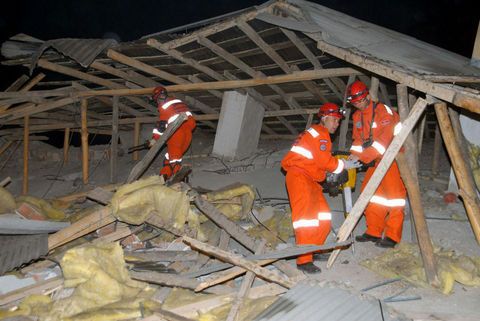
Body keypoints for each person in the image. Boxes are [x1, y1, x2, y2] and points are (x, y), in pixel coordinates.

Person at [281, 103, 360, 274]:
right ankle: (303, 259)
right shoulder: (321, 134)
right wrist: (343, 165)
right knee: (306, 220)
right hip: (299, 177)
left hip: (310, 179)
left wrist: (327, 175)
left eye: (338, 121)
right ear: (324, 118)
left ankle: (314, 250)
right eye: (334, 120)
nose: (336, 124)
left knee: (323, 215)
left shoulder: (316, 133)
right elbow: (326, 162)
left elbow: (319, 162)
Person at [346, 80, 406, 248]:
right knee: (371, 196)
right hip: (374, 160)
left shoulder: (383, 112)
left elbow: (384, 142)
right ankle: (373, 231)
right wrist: (353, 156)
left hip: (391, 158)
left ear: (367, 96)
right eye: (354, 102)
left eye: (360, 100)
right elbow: (358, 140)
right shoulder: (357, 116)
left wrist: (363, 158)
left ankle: (392, 236)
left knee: (394, 199)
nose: (358, 104)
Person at [150, 86, 196, 180]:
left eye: (157, 99)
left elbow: (161, 125)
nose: (158, 102)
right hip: (188, 133)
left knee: (174, 159)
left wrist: (154, 139)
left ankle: (178, 180)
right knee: (171, 156)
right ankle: (164, 176)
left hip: (176, 133)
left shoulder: (165, 106)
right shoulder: (178, 101)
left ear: (158, 97)